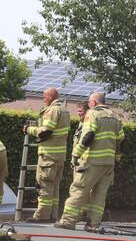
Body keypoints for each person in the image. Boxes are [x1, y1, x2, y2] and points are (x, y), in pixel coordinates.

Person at [55, 91, 124, 231]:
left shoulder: (92, 114)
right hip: (108, 164)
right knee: (99, 194)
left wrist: (75, 155)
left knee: (78, 190)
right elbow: (121, 140)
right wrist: (116, 158)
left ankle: (68, 222)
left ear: (93, 102)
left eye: (89, 101)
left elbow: (88, 135)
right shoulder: (115, 117)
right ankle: (93, 224)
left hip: (92, 161)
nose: (88, 103)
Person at [24, 87, 71, 223]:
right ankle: (52, 215)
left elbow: (46, 131)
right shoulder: (65, 110)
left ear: (50, 97)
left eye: (44, 96)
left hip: (49, 155)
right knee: (55, 186)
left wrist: (29, 129)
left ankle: (42, 215)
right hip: (60, 155)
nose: (43, 99)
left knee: (44, 185)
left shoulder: (52, 110)